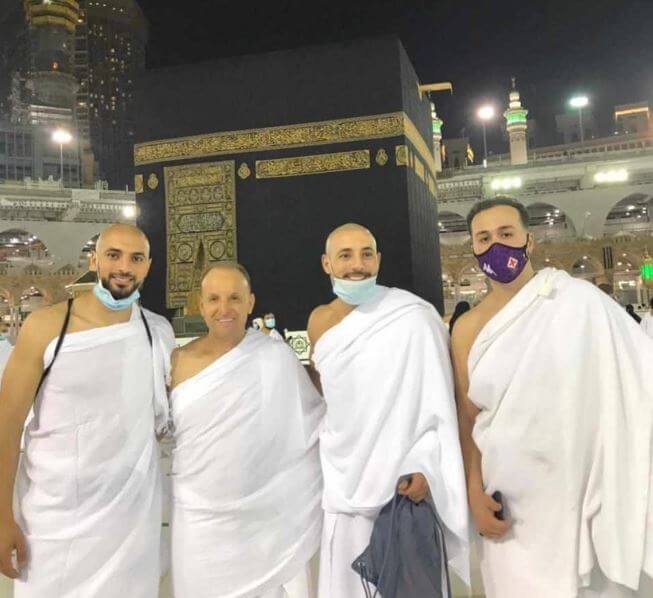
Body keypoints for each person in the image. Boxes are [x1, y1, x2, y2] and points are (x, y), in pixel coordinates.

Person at [451, 196, 653, 598]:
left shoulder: (577, 300)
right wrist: (473, 490)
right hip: (511, 497)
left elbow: (632, 379)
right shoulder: (467, 328)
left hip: (580, 485)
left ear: (529, 240)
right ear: (473, 249)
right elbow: (468, 417)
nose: (496, 246)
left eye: (507, 234)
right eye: (484, 238)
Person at [0, 224, 175, 597]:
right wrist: (1, 518)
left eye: (135, 258)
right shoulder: (46, 327)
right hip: (53, 524)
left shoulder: (157, 332)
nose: (123, 266)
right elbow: (7, 424)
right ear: (94, 260)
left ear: (147, 266)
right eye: (113, 255)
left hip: (129, 524)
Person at [307, 223, 469, 597]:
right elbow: (331, 396)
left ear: (378, 259)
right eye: (345, 255)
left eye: (366, 254)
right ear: (326, 263)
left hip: (402, 486)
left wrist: (428, 465)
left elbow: (440, 402)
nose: (357, 265)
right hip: (344, 481)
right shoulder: (319, 321)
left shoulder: (414, 316)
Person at [169, 263, 323, 598]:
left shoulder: (274, 356)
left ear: (250, 302)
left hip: (266, 520)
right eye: (214, 299)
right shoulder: (176, 361)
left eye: (234, 298)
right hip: (198, 521)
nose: (224, 309)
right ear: (200, 304)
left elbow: (313, 424)